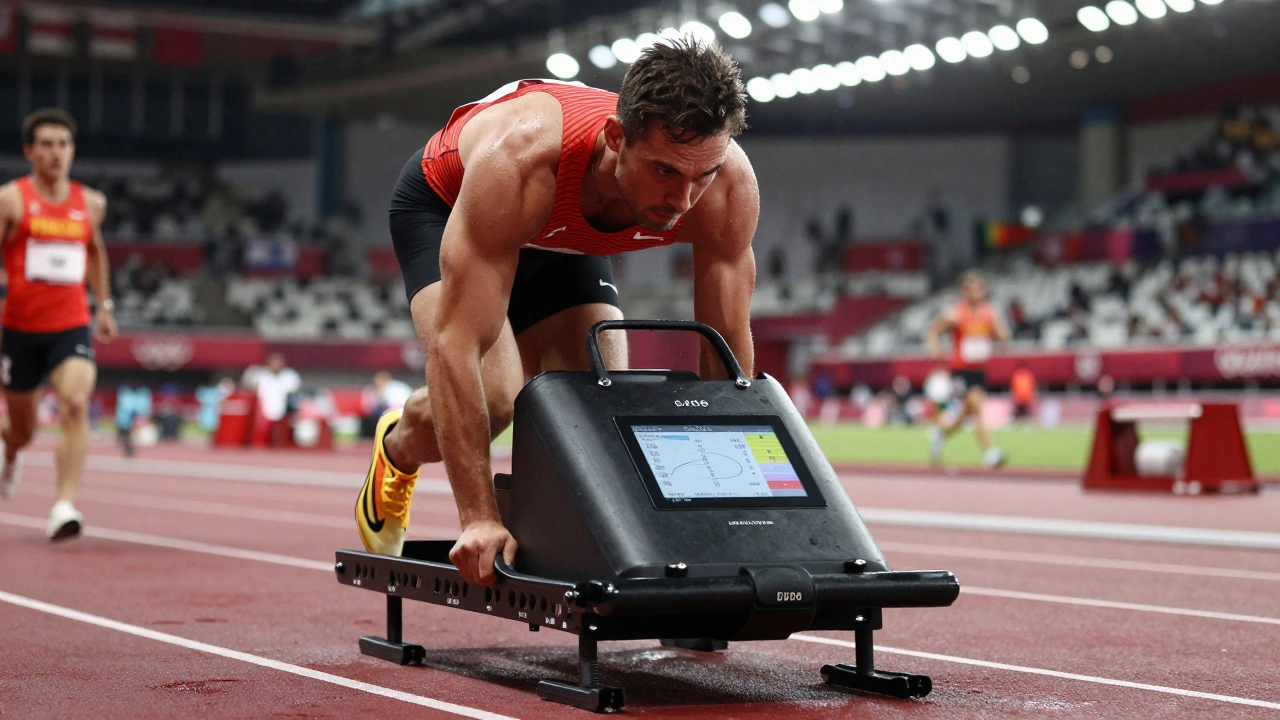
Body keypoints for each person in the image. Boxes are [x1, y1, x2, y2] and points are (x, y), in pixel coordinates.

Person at [355, 37, 757, 587]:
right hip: (453, 206)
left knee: (604, 401)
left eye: (702, 175)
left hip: (563, 236)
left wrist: (728, 523)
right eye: (665, 171)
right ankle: (397, 445)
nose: (684, 200)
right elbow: (456, 348)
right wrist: (478, 519)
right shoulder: (519, 159)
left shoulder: (727, 187)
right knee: (496, 396)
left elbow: (726, 362)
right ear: (617, 138)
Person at [0, 108, 117, 540]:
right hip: (19, 329)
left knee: (74, 401)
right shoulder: (10, 199)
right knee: (23, 429)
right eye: (46, 145)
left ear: (72, 151)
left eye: (63, 145)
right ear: (30, 151)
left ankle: (63, 505)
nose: (56, 153)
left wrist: (103, 305)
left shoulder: (91, 202)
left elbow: (95, 251)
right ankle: (10, 451)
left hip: (71, 324)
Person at [925, 271, 1009, 468]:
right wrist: (936, 347)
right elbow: (934, 330)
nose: (975, 292)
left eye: (979, 288)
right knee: (975, 406)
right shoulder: (955, 313)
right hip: (961, 370)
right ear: (964, 291)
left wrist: (1001, 336)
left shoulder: (990, 312)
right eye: (971, 288)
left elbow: (1001, 334)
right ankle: (990, 452)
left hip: (980, 369)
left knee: (968, 412)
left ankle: (942, 433)